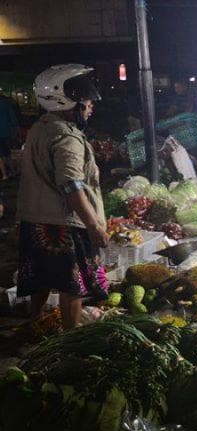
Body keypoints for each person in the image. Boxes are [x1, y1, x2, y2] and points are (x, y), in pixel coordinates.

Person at [17, 64, 109, 329]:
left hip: (35, 218)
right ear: (68, 100)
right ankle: (72, 337)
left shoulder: (41, 127)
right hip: (63, 223)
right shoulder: (66, 137)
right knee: (73, 282)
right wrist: (94, 226)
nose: (91, 105)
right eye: (86, 100)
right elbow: (72, 185)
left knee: (42, 276)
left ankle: (35, 323)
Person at [0, 93, 18, 180]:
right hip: (6, 132)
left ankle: (4, 174)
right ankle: (12, 171)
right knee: (7, 153)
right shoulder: (6, 105)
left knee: (1, 155)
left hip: (4, 132)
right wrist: (15, 131)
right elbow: (13, 119)